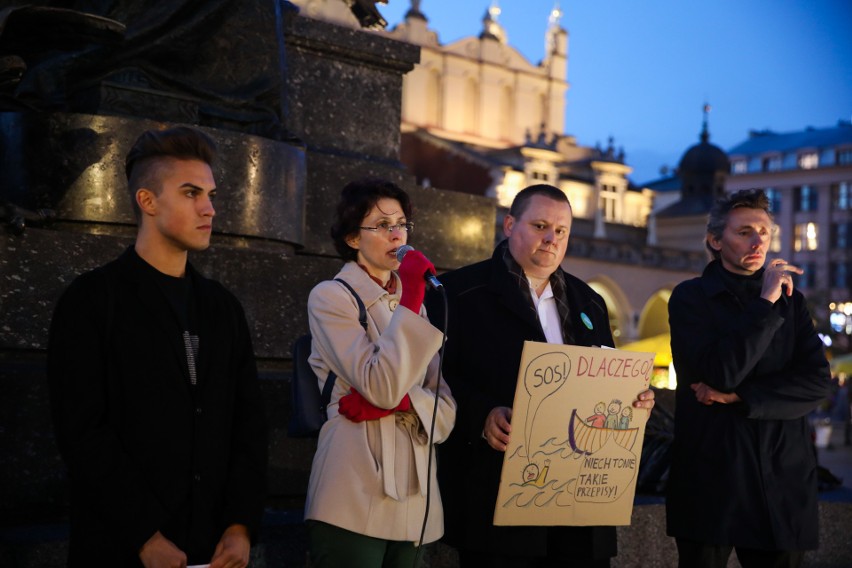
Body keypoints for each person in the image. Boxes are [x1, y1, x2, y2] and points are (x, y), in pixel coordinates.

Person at [47, 126, 268, 567]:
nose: (209, 208)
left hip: (213, 549)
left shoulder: (222, 308)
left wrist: (240, 525)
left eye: (211, 194)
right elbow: (82, 431)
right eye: (191, 193)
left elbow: (249, 423)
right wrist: (144, 535)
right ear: (148, 201)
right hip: (119, 549)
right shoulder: (92, 300)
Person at [426, 184, 655, 567]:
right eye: (540, 226)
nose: (551, 239)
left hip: (580, 503)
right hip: (497, 498)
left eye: (561, 231)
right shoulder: (458, 294)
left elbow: (604, 374)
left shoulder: (589, 301)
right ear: (510, 224)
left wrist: (633, 399)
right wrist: (481, 415)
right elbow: (432, 379)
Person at [666, 188, 833, 568]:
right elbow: (722, 373)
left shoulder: (793, 301)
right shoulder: (691, 298)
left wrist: (742, 399)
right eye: (744, 232)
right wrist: (764, 304)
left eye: (765, 231)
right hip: (713, 478)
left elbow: (817, 383)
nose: (759, 240)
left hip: (782, 480)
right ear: (715, 240)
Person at [303, 178, 456, 568]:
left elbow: (447, 409)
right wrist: (395, 399)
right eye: (382, 225)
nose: (396, 234)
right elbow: (382, 386)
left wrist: (406, 402)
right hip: (354, 486)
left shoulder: (412, 308)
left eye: (401, 223)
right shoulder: (331, 296)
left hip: (416, 498)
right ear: (354, 238)